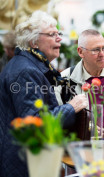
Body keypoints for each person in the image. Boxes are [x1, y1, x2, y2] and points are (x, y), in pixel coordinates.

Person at [0, 11, 87, 177]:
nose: (59, 38)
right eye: (52, 34)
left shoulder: (28, 65)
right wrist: (71, 107)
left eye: (58, 34)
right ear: (33, 42)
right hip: (23, 165)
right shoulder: (26, 71)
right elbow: (34, 123)